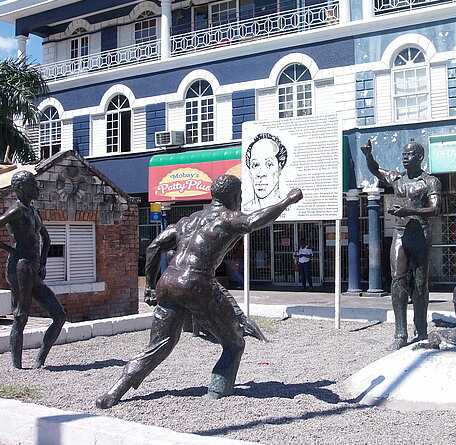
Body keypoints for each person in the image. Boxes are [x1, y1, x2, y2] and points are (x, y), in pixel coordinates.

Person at [96, 175, 303, 409]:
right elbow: (253, 221)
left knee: (158, 345)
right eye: (241, 194)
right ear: (234, 196)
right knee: (234, 342)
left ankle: (114, 393)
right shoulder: (227, 218)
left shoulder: (188, 220)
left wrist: (151, 286)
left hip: (169, 282)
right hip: (196, 283)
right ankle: (218, 392)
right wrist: (287, 201)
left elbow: (154, 246)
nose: (242, 198)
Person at [0, 171, 66, 369]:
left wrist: (43, 262)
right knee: (21, 315)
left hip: (32, 268)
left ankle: (39, 361)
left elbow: (47, 238)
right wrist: (12, 251)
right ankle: (17, 366)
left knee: (59, 315)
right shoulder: (16, 211)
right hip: (19, 267)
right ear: (21, 188)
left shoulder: (34, 212)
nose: (37, 188)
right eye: (33, 184)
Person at [361, 139, 441, 349]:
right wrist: (368, 155)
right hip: (400, 232)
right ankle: (400, 333)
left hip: (421, 234)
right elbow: (376, 170)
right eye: (404, 154)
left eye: (410, 154)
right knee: (397, 281)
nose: (405, 157)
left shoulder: (430, 181)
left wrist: (409, 211)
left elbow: (435, 209)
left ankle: (421, 329)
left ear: (420, 157)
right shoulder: (397, 179)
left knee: (420, 283)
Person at [243, 133, 288, 211]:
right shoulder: (243, 210)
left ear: (279, 167)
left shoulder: (288, 209)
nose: (261, 174)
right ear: (250, 171)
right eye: (255, 165)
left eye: (269, 164)